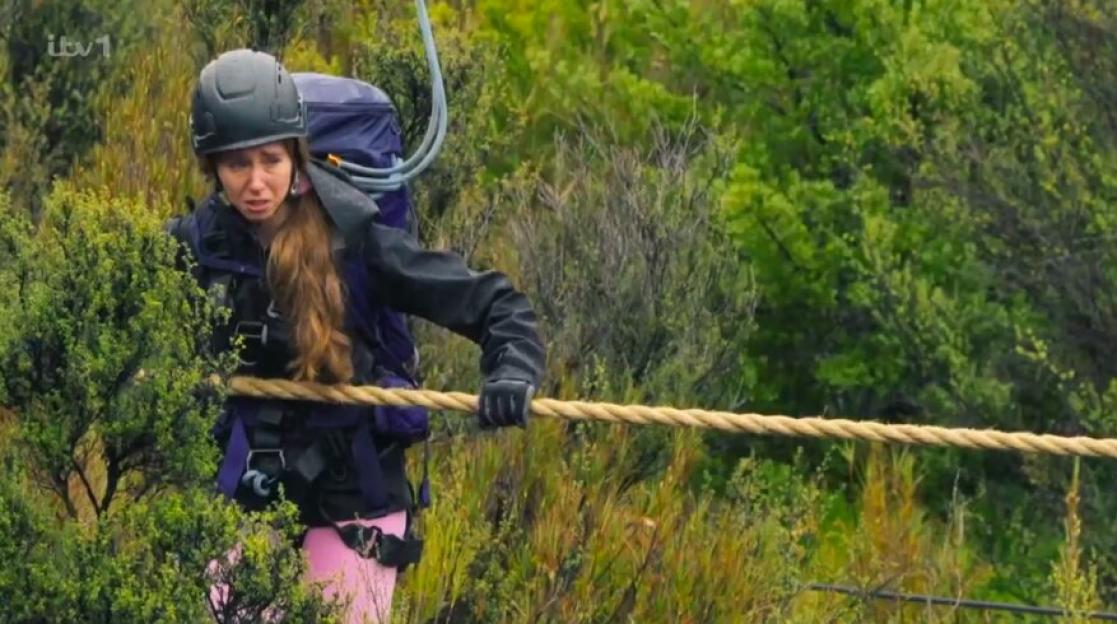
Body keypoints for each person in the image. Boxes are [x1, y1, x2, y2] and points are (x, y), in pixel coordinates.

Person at [168, 48, 546, 623]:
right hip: (247, 488)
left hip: (355, 493)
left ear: (296, 155)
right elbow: (105, 303)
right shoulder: (198, 245)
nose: (256, 181)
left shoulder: (356, 240)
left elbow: (493, 303)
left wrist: (512, 371)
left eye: (271, 159)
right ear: (213, 167)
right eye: (237, 164)